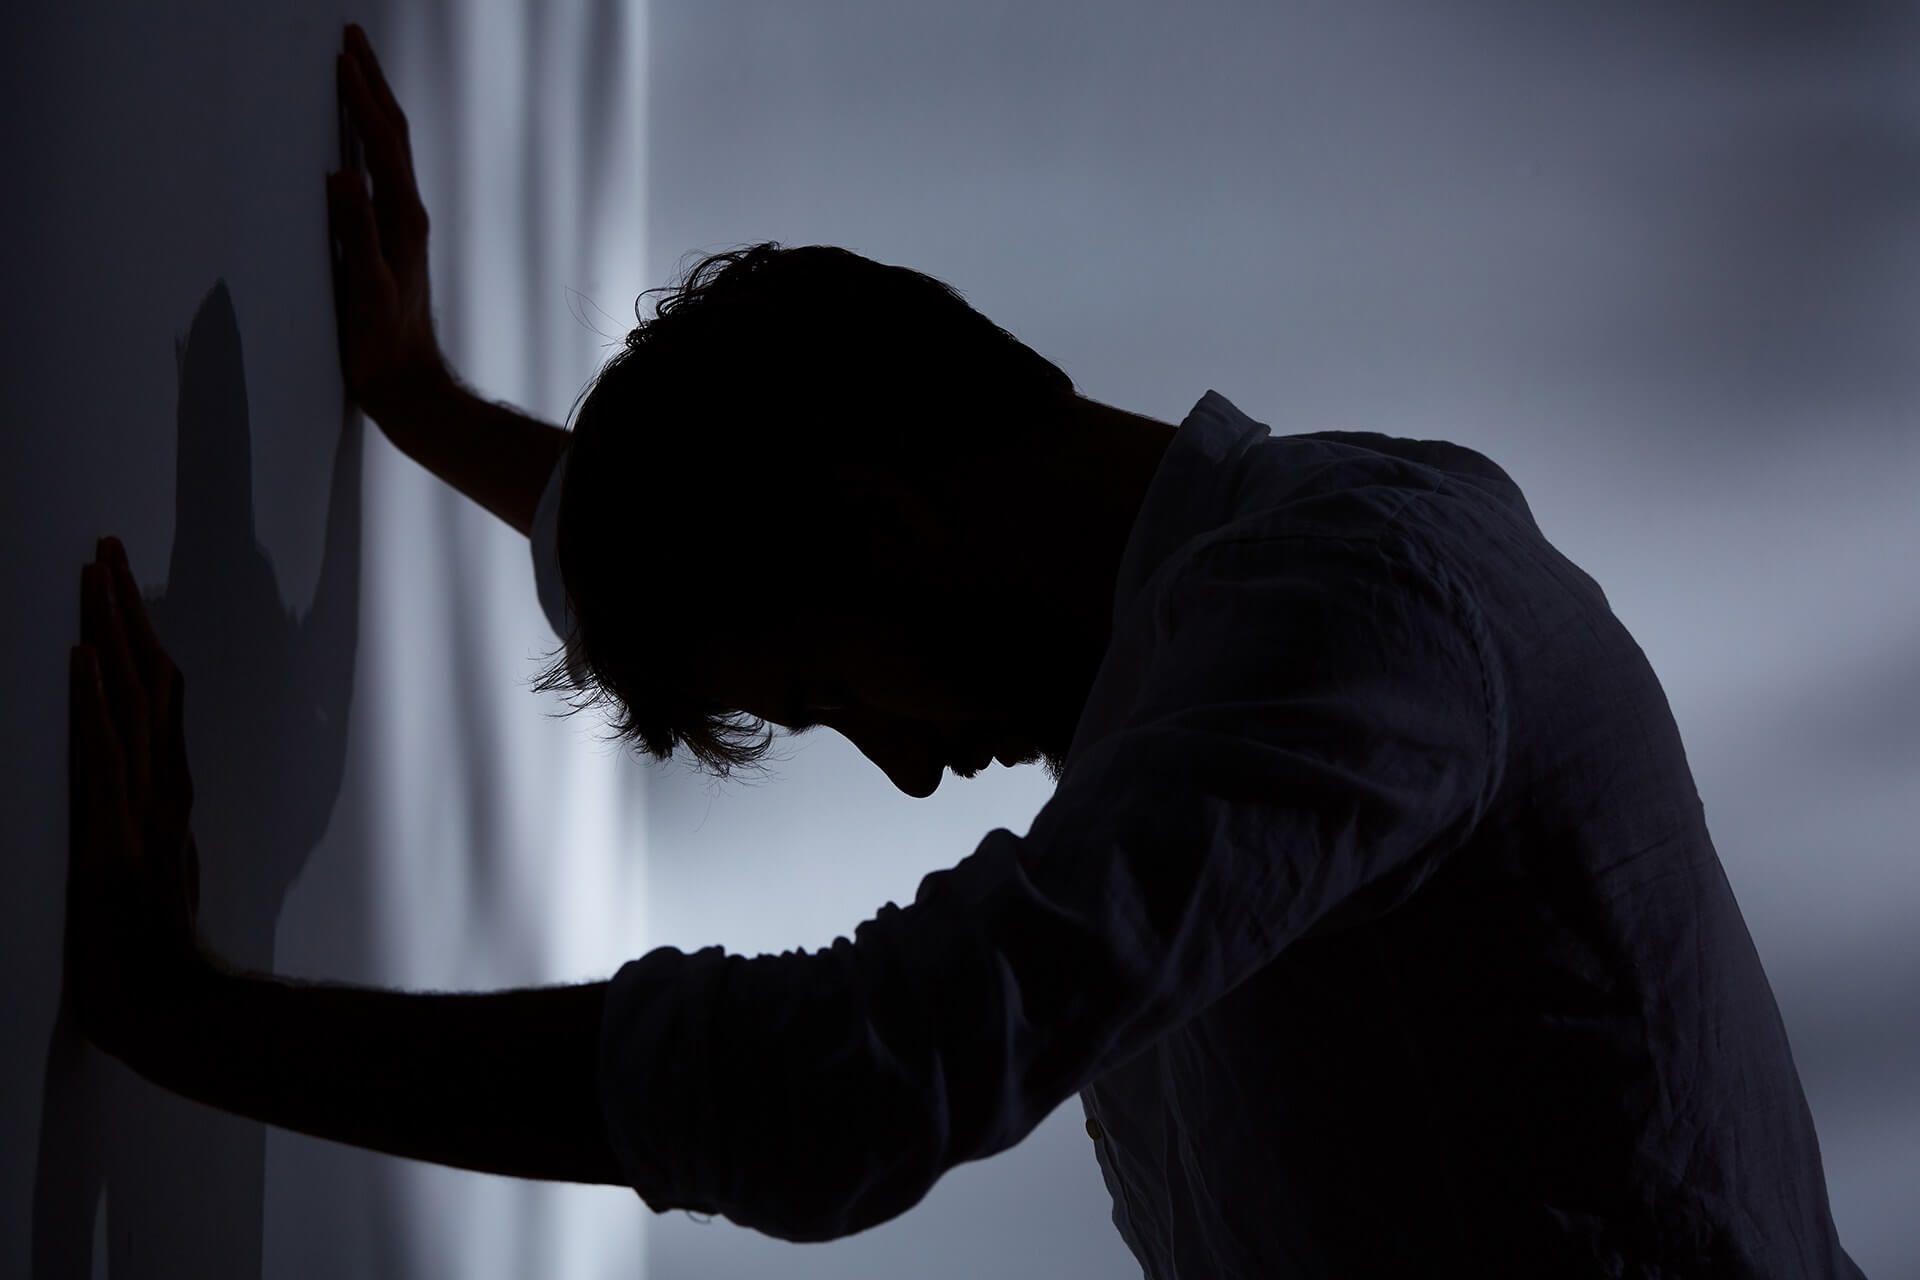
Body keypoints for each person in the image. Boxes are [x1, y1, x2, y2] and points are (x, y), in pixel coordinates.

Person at [64, 21, 1867, 1278]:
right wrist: (431, 411)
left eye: (835, 700)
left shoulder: (1362, 615)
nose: (910, 766)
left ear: (893, 526)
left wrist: (192, 1023)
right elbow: (788, 550)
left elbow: (857, 1075)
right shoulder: (1232, 638)